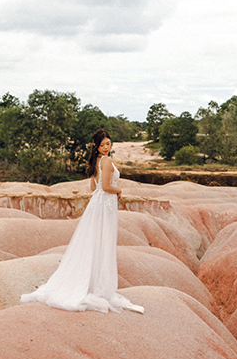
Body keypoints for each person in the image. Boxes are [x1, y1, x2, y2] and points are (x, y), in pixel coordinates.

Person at [20, 130, 145, 313]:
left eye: (108, 144)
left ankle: (90, 282)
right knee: (103, 241)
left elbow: (93, 187)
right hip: (105, 205)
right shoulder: (107, 161)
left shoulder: (96, 161)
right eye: (103, 145)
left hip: (98, 203)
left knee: (94, 241)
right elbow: (105, 186)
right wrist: (118, 191)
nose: (106, 147)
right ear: (96, 146)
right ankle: (96, 285)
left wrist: (107, 191)